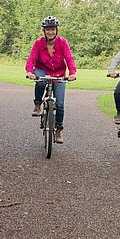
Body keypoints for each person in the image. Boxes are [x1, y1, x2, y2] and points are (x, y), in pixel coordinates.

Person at [25, 16, 77, 144]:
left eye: (53, 29)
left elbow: (69, 58)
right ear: (44, 31)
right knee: (41, 81)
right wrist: (30, 72)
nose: (50, 32)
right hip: (42, 71)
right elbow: (31, 59)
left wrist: (72, 73)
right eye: (48, 29)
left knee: (60, 103)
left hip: (59, 74)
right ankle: (38, 104)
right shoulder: (38, 43)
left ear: (56, 30)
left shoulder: (62, 42)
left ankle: (59, 129)